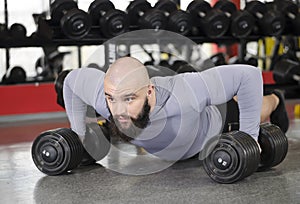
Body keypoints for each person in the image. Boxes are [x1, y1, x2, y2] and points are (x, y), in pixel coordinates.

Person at [63, 57, 289, 161]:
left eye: (129, 98)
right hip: (175, 139)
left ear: (149, 91)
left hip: (213, 127)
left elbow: (248, 75)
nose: (118, 109)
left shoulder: (184, 92)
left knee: (254, 109)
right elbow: (72, 80)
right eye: (110, 98)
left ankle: (276, 100)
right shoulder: (110, 99)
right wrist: (80, 134)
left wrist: (249, 136)